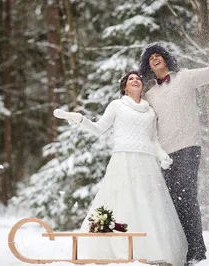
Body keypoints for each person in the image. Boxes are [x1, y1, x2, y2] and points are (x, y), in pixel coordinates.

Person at [53, 71, 187, 265]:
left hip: (147, 163)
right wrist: (80, 119)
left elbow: (153, 139)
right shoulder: (117, 105)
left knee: (148, 205)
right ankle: (120, 249)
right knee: (123, 201)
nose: (135, 81)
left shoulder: (150, 110)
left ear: (142, 86)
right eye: (130, 79)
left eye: (138, 79)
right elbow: (99, 129)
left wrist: (162, 154)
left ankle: (152, 251)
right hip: (123, 160)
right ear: (124, 87)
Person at [138, 20, 209, 265]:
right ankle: (178, 252)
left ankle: (197, 253)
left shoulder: (185, 78)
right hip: (164, 155)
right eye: (150, 58)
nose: (154, 58)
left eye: (158, 55)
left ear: (166, 59)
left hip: (188, 147)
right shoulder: (149, 94)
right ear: (147, 66)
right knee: (169, 203)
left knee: (186, 198)